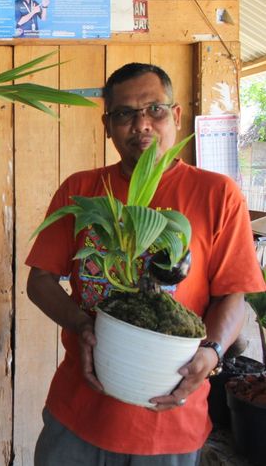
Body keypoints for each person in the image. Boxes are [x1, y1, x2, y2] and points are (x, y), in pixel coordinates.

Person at [25, 63, 265, 465]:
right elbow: (40, 282)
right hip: (79, 410)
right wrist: (82, 324)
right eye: (124, 114)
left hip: (170, 419)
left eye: (154, 109)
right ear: (107, 125)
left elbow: (232, 295)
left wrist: (212, 352)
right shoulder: (81, 190)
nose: (141, 124)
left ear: (175, 116)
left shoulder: (217, 194)